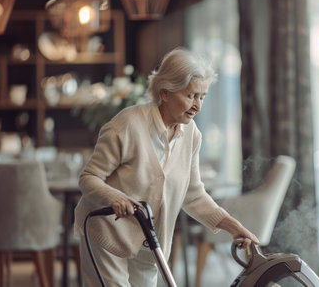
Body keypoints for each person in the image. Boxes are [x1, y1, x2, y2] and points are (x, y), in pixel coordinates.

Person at [74, 47, 259, 286]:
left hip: (148, 242)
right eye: (191, 96)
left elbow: (193, 196)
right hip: (106, 234)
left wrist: (232, 226)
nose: (198, 106)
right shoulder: (127, 125)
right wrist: (115, 197)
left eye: (202, 97)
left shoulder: (191, 134)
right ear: (165, 93)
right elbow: (88, 177)